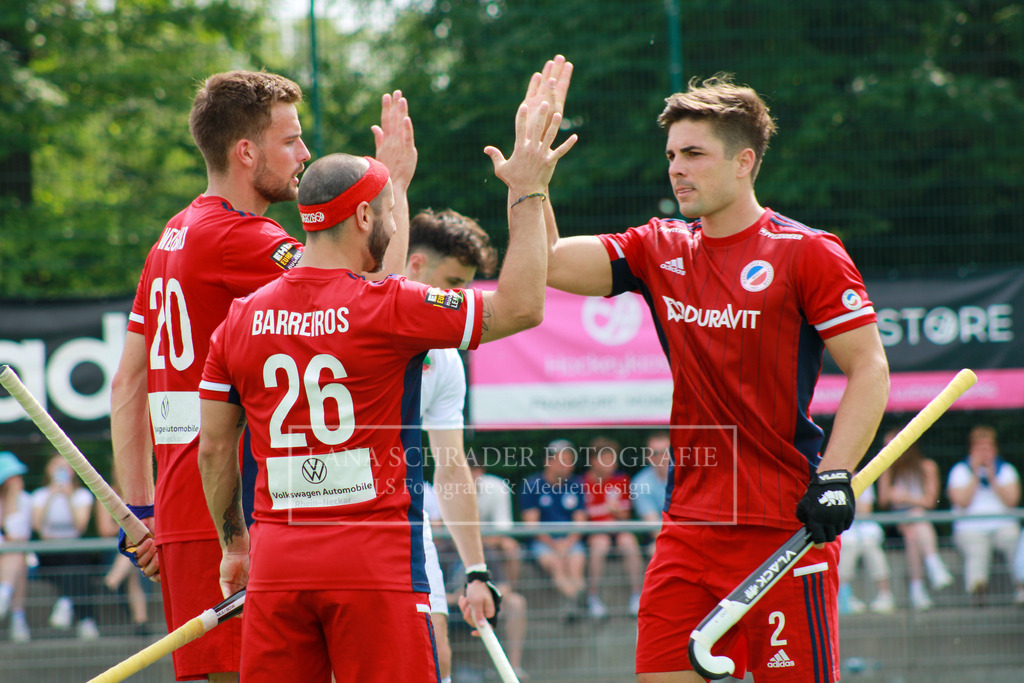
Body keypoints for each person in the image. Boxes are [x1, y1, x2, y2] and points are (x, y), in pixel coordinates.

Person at [196, 64, 576, 681]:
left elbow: (213, 447)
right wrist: (527, 190)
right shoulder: (389, 308)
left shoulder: (240, 319)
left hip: (278, 564)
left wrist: (235, 542)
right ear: (367, 221)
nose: (397, 221)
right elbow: (522, 306)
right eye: (389, 212)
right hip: (375, 566)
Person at [544, 67, 890, 681]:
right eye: (672, 154)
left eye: (695, 154)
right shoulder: (659, 246)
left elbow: (868, 368)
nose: (677, 167)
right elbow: (544, 265)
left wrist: (836, 476)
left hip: (785, 527)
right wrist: (531, 183)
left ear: (744, 161)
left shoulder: (807, 251)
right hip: (688, 528)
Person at [110, 69, 413, 681]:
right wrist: (394, 187)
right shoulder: (242, 239)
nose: (304, 154)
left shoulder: (173, 232)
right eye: (291, 140)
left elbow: (127, 385)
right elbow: (372, 298)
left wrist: (140, 507)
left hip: (186, 510)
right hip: (230, 520)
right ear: (246, 151)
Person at [407, 207, 498, 683]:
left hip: (402, 520)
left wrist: (477, 570)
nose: (460, 300)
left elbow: (451, 466)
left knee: (433, 655)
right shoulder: (348, 319)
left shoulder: (444, 357)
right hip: (319, 516)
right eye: (453, 285)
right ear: (416, 267)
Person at [946, 425, 1023, 606]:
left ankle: (1021, 587)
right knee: (976, 548)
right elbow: (962, 501)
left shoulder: (1006, 470)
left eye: (987, 448)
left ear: (995, 449)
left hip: (1002, 525)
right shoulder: (960, 471)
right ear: (971, 450)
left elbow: (1012, 501)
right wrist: (975, 475)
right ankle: (977, 590)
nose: (983, 452)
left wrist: (992, 478)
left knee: (1014, 540)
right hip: (970, 527)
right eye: (979, 448)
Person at [876, 428, 953, 610]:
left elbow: (930, 501)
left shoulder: (927, 467)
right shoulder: (887, 469)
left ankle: (917, 589)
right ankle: (933, 563)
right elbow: (883, 500)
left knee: (913, 529)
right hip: (897, 521)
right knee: (915, 518)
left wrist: (905, 497)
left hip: (918, 519)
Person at [30, 454, 100, 640]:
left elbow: (80, 527)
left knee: (76, 563)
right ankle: (85, 619)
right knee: (69, 566)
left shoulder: (82, 495)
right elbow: (38, 527)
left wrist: (68, 498)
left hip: (72, 548)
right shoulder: (40, 495)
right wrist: (52, 495)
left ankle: (66, 602)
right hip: (49, 550)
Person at [519, 439, 588, 619]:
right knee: (557, 566)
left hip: (570, 541)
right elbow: (531, 525)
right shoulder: (532, 484)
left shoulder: (576, 484)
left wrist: (567, 543)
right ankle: (581, 601)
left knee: (575, 566)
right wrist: (554, 544)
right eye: (562, 459)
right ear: (548, 461)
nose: (568, 465)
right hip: (543, 543)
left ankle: (574, 605)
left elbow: (580, 521)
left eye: (570, 460)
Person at [578, 436, 643, 617]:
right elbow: (582, 515)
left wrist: (614, 511)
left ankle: (637, 595)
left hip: (617, 529)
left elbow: (625, 514)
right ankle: (593, 597)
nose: (611, 463)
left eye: (613, 458)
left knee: (629, 541)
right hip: (595, 532)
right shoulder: (581, 483)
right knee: (600, 543)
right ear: (593, 461)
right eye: (606, 459)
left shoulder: (621, 480)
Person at [837, 483, 894, 614]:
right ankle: (845, 595)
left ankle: (884, 594)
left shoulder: (865, 476)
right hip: (846, 531)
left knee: (870, 544)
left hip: (865, 529)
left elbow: (866, 509)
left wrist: (846, 506)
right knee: (849, 544)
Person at [0, 451, 32, 642]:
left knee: (18, 556)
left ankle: (4, 594)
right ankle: (17, 617)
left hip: (17, 559)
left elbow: (19, 535)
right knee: (17, 556)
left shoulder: (25, 500)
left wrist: (12, 501)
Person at [630, 431, 671, 558]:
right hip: (661, 539)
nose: (660, 458)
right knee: (657, 549)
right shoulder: (640, 483)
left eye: (665, 452)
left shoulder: (689, 477)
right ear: (648, 456)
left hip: (688, 536)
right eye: (655, 454)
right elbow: (654, 529)